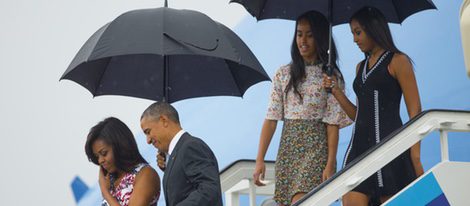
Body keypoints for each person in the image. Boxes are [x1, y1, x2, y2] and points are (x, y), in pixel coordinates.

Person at [322, 7, 425, 206]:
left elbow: (415, 110)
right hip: (358, 151)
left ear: (374, 29)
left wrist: (415, 154)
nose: (354, 39)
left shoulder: (398, 60)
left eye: (358, 32)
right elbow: (357, 115)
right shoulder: (360, 67)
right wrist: (336, 91)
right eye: (352, 33)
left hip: (390, 148)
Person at [253, 11, 352, 206]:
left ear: (320, 37)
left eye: (310, 34)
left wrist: (330, 163)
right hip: (288, 149)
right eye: (299, 34)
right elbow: (271, 119)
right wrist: (260, 159)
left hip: (316, 148)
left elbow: (332, 124)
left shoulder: (331, 76)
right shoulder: (283, 73)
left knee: (302, 202)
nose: (303, 40)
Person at [140, 101, 223, 206]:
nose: (148, 140)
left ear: (164, 120)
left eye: (148, 132)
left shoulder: (191, 146)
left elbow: (209, 190)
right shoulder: (177, 153)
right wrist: (168, 168)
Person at [85, 117, 160, 206]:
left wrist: (105, 192)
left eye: (104, 153)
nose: (100, 160)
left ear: (120, 147)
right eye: (97, 156)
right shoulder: (110, 181)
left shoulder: (145, 174)